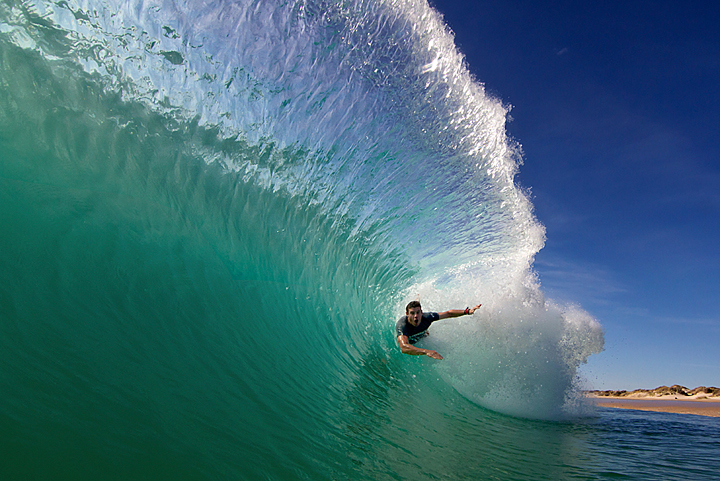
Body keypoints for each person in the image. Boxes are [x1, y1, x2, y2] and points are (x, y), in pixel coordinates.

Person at [396, 300, 482, 360]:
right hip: (410, 341)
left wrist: (467, 311)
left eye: (418, 312)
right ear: (407, 314)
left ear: (421, 312)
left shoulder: (427, 317)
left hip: (422, 335)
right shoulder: (402, 325)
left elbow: (448, 313)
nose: (415, 316)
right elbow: (404, 347)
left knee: (426, 334)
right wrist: (426, 352)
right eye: (412, 313)